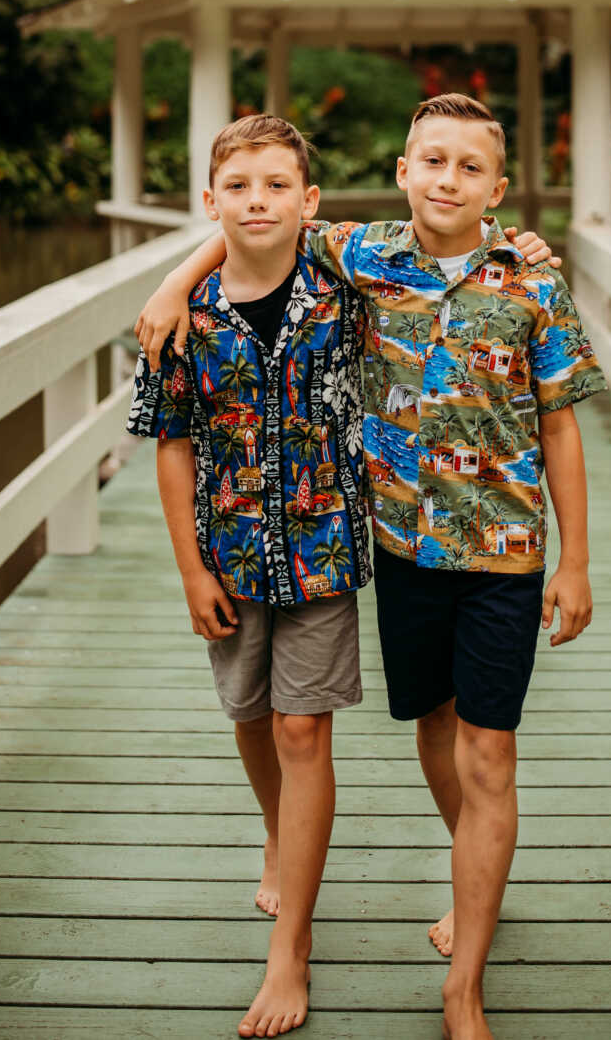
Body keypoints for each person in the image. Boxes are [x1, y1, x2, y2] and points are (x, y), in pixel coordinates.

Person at [137, 95, 604, 1040]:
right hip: (401, 548)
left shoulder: (528, 280)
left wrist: (579, 560)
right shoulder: (366, 255)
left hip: (492, 551)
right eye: (430, 161)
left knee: (484, 747)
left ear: (498, 187)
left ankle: (462, 978)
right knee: (431, 729)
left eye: (470, 169)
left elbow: (560, 420)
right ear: (401, 172)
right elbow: (248, 226)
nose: (447, 180)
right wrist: (174, 282)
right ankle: (470, 871)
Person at [126, 114, 373, 1038]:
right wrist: (189, 570)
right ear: (210, 202)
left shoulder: (344, 285)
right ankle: (277, 831)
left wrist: (521, 244)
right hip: (226, 553)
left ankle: (292, 948)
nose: (257, 201)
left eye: (278, 186)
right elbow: (171, 446)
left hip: (322, 550)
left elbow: (444, 239)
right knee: (252, 718)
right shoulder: (179, 322)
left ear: (309, 203)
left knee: (304, 728)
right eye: (239, 187)